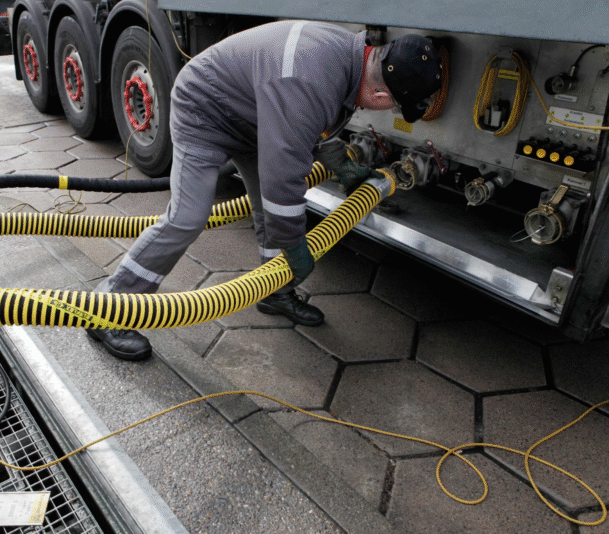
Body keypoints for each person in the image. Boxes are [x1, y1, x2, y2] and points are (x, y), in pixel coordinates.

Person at [88, 20, 442, 360]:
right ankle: (109, 308)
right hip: (205, 109)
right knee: (188, 217)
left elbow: (314, 126)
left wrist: (344, 168)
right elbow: (283, 184)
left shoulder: (351, 60)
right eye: (394, 105)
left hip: (252, 116)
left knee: (266, 209)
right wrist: (296, 249)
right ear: (380, 93)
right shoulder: (310, 77)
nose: (389, 110)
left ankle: (274, 293)